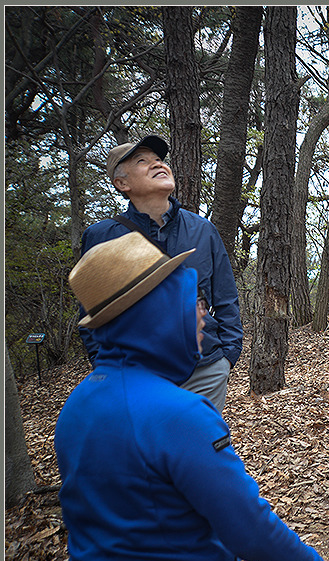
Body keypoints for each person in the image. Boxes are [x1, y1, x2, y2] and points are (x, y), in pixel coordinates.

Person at [55, 232, 329, 561]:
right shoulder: (177, 414)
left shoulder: (78, 403)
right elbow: (246, 528)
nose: (204, 318)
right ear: (159, 316)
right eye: (191, 303)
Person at [78, 135, 242, 414]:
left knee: (199, 440)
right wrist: (104, 364)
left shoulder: (203, 229)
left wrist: (227, 356)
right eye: (142, 161)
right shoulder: (101, 236)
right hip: (137, 375)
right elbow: (91, 312)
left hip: (204, 369)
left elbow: (226, 297)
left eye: (159, 159)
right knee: (153, 441)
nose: (158, 164)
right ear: (122, 183)